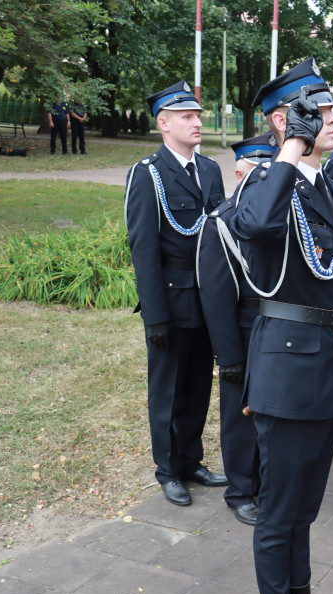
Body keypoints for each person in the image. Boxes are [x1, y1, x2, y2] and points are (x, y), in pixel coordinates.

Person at [231, 57, 333, 594]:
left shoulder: (325, 181)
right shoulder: (267, 178)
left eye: (331, 107)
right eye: (320, 108)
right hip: (287, 371)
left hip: (329, 364)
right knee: (279, 512)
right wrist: (291, 145)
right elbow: (253, 224)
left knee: (306, 507)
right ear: (286, 119)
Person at [124, 81, 228, 507]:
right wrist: (155, 315)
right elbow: (143, 249)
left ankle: (190, 460)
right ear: (164, 124)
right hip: (171, 297)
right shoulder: (147, 173)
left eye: (198, 115)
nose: (198, 122)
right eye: (187, 116)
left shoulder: (209, 170)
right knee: (167, 388)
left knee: (199, 385)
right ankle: (167, 469)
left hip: (208, 299)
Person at [195, 133, 276, 527]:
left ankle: (266, 483)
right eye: (255, 170)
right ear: (239, 172)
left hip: (279, 329)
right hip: (243, 332)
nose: (263, 178)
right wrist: (227, 356)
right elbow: (216, 297)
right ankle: (241, 490)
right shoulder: (222, 222)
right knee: (240, 416)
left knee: (274, 413)